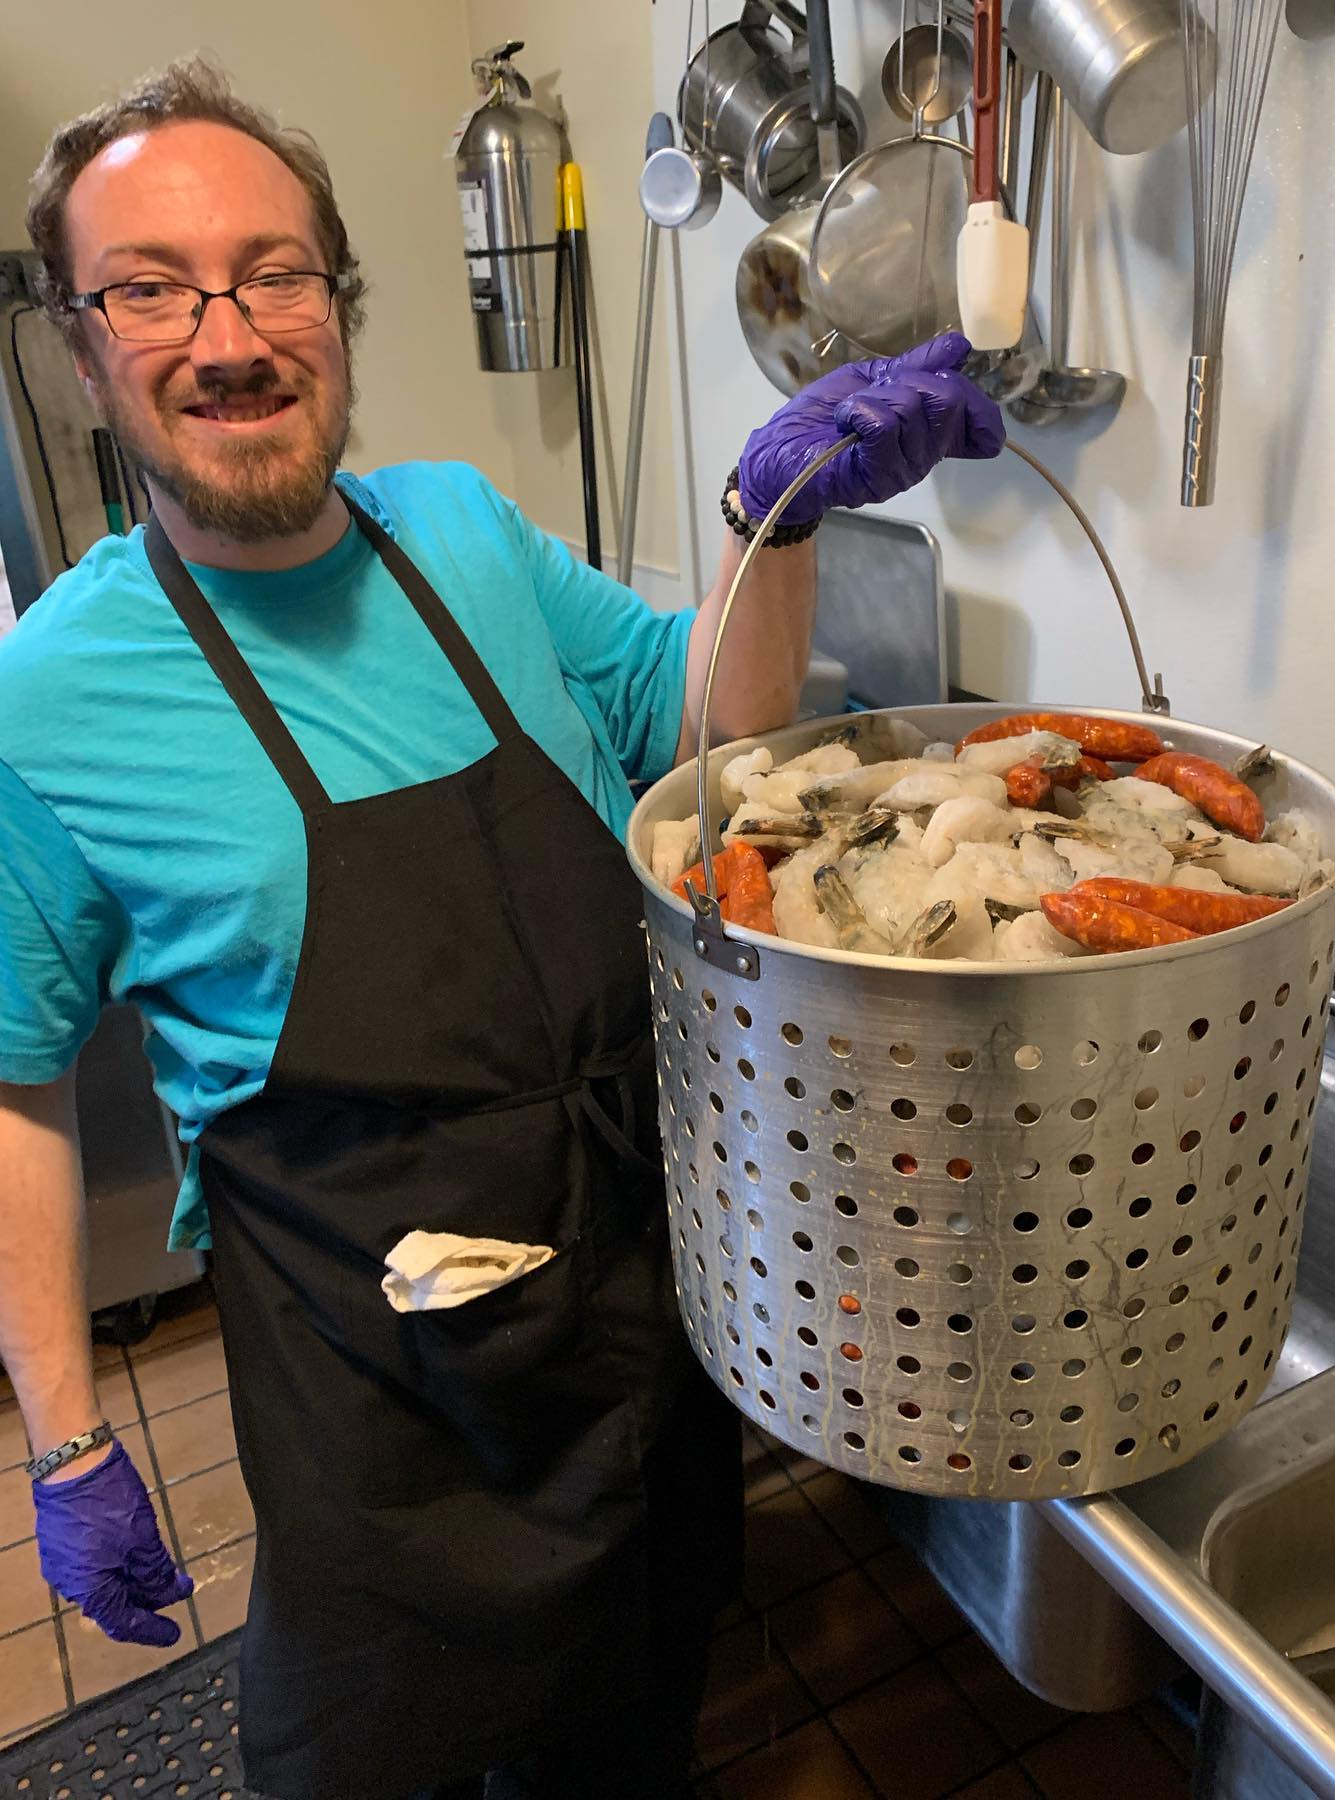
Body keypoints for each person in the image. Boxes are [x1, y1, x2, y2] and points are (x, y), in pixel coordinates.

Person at [0, 56, 1004, 1800]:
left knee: (638, 1719)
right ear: (85, 353)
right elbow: (15, 1085)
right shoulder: (54, 698)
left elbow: (712, 729)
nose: (226, 336)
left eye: (272, 273)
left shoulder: (463, 530)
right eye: (150, 290)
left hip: (643, 1318)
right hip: (384, 1422)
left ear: (337, 304)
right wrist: (66, 1434)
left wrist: (773, 518)